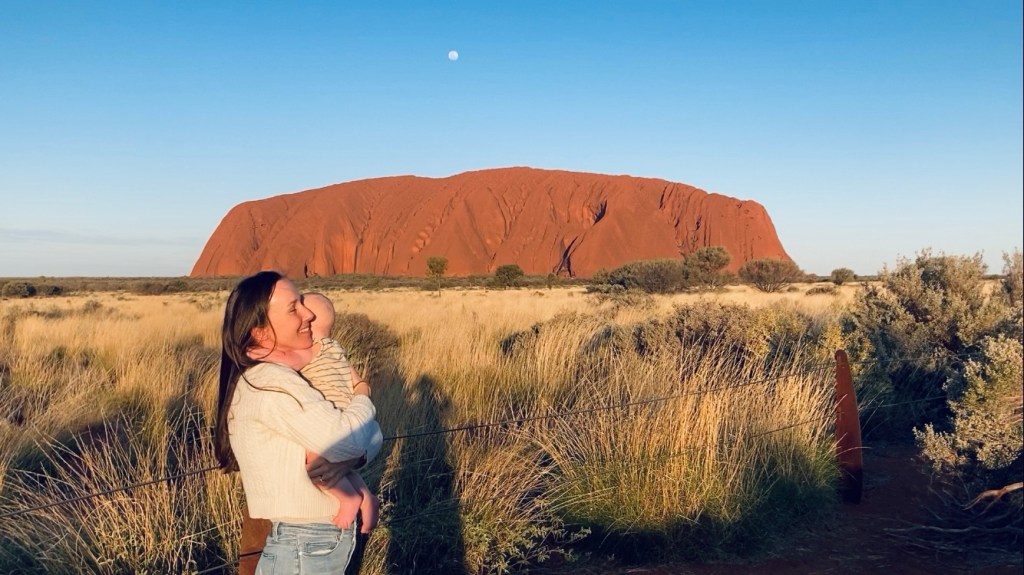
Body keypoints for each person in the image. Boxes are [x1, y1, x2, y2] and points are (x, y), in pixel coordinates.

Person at [215, 271, 382, 575]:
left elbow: (369, 436)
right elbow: (353, 435)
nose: (308, 314)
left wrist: (351, 458)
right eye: (294, 308)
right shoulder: (271, 383)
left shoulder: (296, 375)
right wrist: (364, 393)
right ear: (260, 332)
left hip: (314, 541)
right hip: (303, 544)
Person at [282, 292, 379, 534]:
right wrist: (362, 391)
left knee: (313, 463)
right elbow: (358, 384)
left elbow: (284, 365)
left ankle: (348, 499)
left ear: (309, 324)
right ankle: (365, 493)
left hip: (330, 417)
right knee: (338, 466)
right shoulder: (335, 349)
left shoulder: (309, 350)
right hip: (348, 411)